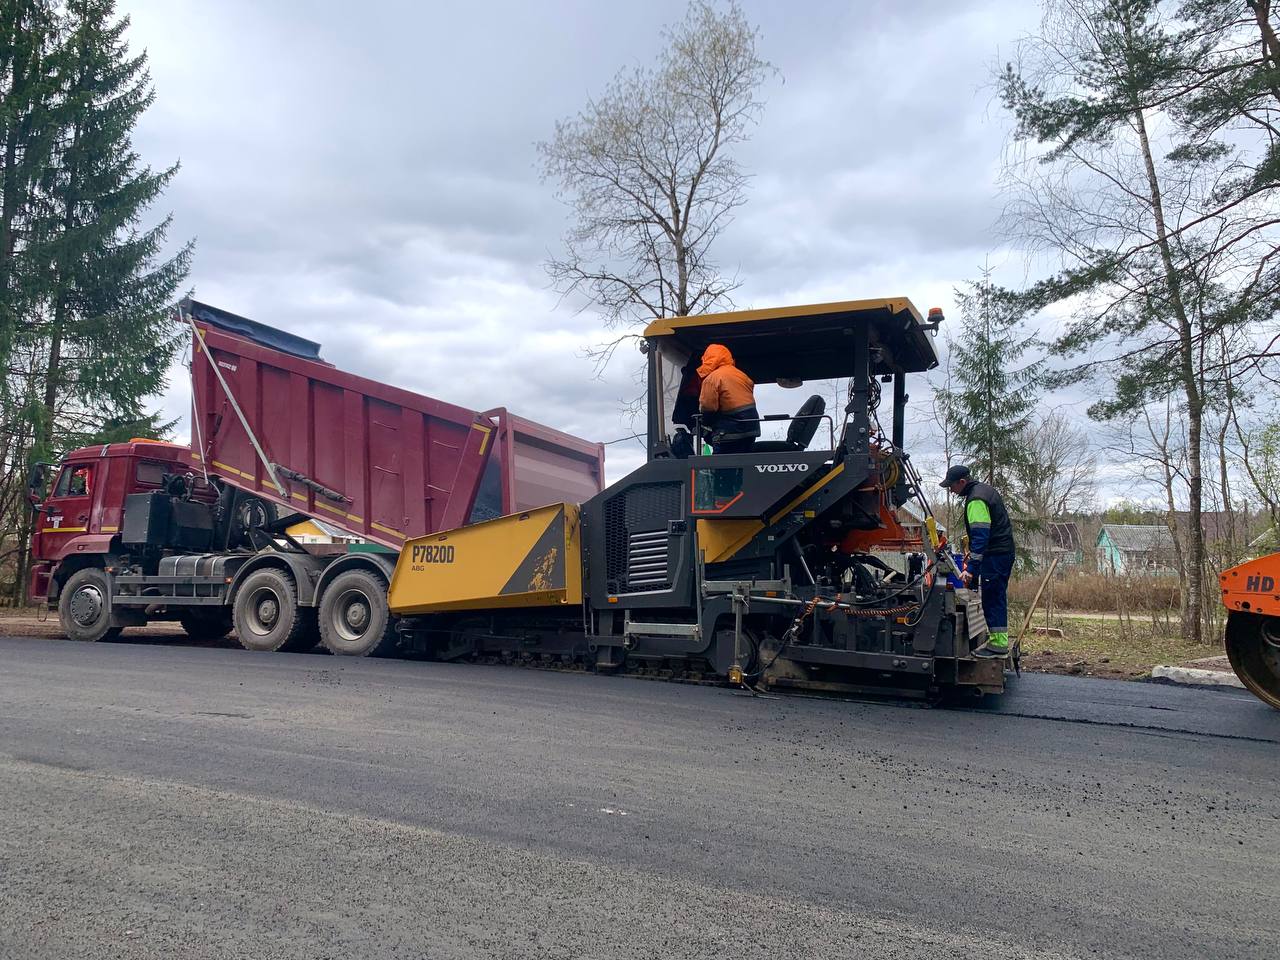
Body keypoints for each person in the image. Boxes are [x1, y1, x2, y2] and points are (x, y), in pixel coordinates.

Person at [940, 464, 1016, 658]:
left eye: (952, 486)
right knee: (995, 595)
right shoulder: (985, 490)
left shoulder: (975, 500)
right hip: (1001, 553)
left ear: (962, 482)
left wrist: (971, 568)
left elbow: (981, 536)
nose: (951, 490)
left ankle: (998, 644)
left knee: (993, 597)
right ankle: (998, 641)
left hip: (996, 554)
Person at [697, 343, 759, 454]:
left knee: (722, 468)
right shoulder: (742, 375)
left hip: (729, 432)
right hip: (751, 430)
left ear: (708, 359)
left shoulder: (712, 378)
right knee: (742, 466)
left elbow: (708, 407)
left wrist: (704, 422)